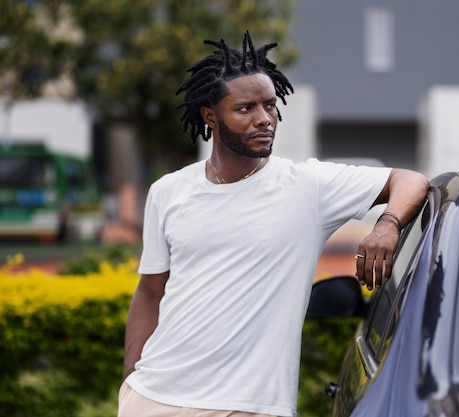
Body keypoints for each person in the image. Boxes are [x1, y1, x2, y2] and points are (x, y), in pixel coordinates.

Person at [119, 31, 429, 417]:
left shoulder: (307, 187)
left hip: (249, 406)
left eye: (270, 105)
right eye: (245, 108)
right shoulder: (169, 191)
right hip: (154, 399)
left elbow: (411, 180)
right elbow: (150, 291)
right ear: (210, 116)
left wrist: (388, 223)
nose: (264, 119)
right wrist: (131, 380)